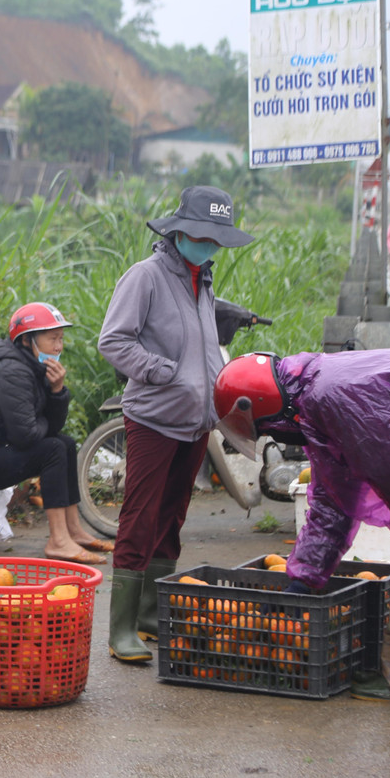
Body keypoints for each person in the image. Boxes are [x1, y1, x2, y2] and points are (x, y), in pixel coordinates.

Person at [97, 185, 255, 663]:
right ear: (179, 230)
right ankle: (120, 628)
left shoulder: (202, 280)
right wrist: (159, 370)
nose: (210, 246)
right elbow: (113, 341)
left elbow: (204, 349)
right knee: (139, 519)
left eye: (216, 240)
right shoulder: (144, 277)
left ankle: (150, 614)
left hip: (195, 422)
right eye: (203, 236)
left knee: (172, 518)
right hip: (153, 419)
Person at [216, 350, 390, 703]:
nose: (276, 436)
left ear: (265, 405)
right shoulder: (314, 399)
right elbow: (332, 501)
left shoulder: (331, 395)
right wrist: (302, 580)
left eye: (267, 429)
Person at [0, 302, 109, 566]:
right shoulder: (13, 370)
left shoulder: (35, 368)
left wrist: (57, 391)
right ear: (28, 341)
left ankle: (73, 531)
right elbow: (26, 436)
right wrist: (42, 421)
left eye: (61, 338)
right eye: (52, 338)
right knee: (53, 449)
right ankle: (59, 541)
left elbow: (49, 429)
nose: (59, 346)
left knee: (65, 444)